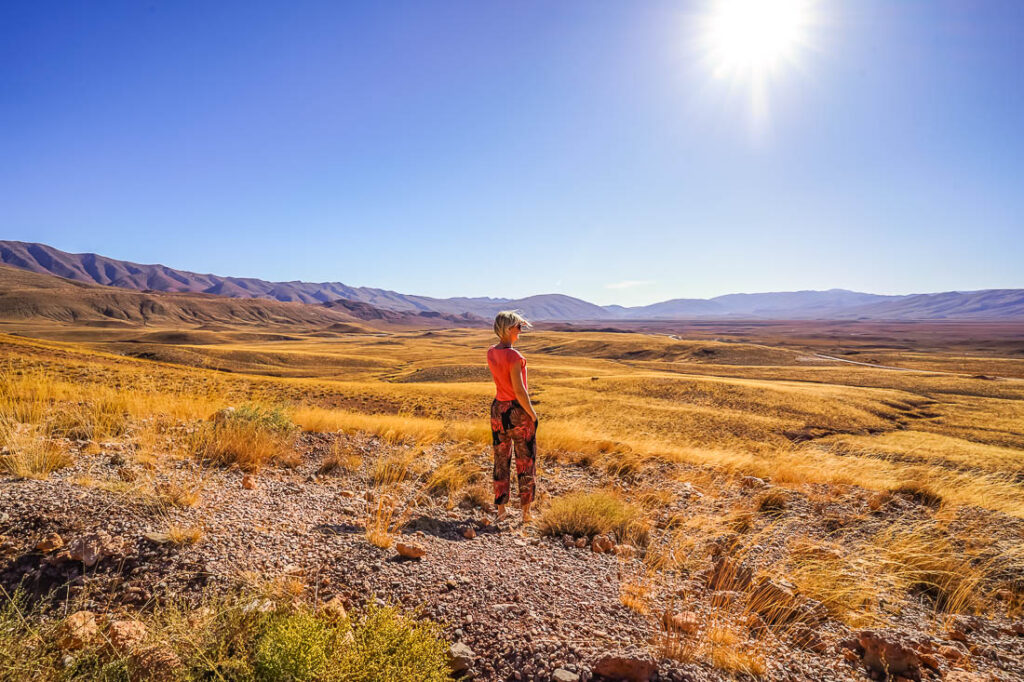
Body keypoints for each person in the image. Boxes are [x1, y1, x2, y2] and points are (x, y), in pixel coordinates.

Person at [486, 310, 538, 523]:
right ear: (508, 329)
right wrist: (532, 414)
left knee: (501, 459)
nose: (520, 330)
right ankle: (526, 514)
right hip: (517, 412)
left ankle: (501, 510)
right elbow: (519, 390)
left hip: (498, 409)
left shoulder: (491, 352)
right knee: (525, 460)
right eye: (518, 327)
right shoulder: (515, 356)